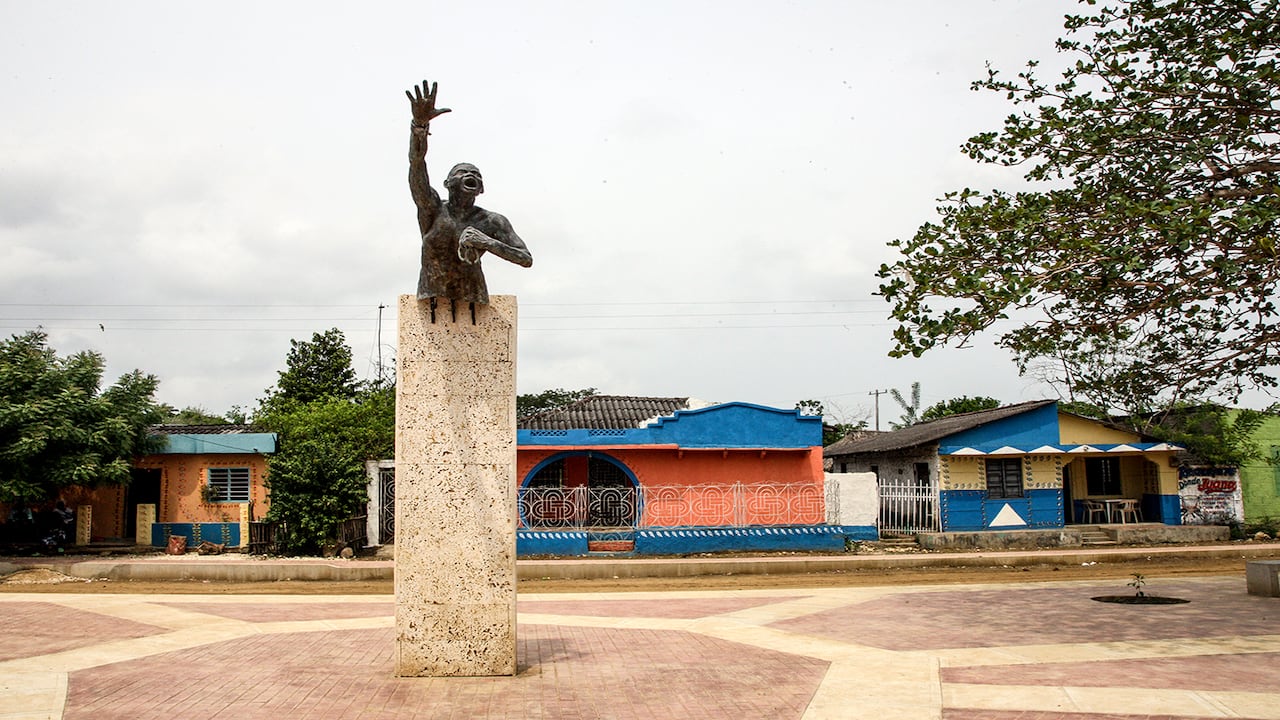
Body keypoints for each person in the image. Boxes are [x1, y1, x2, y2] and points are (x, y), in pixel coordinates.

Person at [405, 80, 532, 313]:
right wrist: (419, 127)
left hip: (473, 299)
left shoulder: (492, 221)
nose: (471, 176)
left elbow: (525, 258)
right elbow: (416, 166)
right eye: (462, 172)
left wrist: (487, 242)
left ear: (481, 189)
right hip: (432, 298)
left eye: (476, 175)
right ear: (447, 183)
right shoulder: (432, 208)